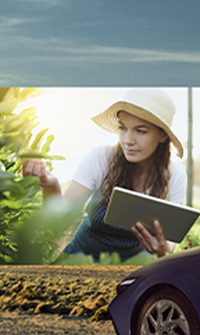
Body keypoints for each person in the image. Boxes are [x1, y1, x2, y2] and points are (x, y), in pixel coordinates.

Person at [21, 90, 187, 259]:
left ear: (163, 135)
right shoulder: (101, 158)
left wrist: (163, 248)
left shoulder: (175, 175)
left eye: (141, 131)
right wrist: (51, 185)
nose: (128, 140)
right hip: (81, 257)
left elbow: (169, 242)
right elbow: (58, 223)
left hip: (133, 266)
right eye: (123, 128)